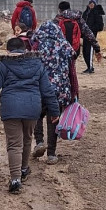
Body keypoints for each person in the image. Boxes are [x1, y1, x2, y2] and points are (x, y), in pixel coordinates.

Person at [0, 37, 60, 192]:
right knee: (27, 139)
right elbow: (47, 91)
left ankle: (15, 179)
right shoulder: (38, 64)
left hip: (11, 108)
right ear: (25, 49)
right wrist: (54, 111)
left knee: (14, 144)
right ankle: (24, 169)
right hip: (32, 108)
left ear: (8, 51)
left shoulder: (4, 65)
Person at [29, 21, 75, 165]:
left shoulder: (36, 44)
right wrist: (74, 91)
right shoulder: (65, 45)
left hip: (40, 87)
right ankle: (51, 154)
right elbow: (72, 68)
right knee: (53, 119)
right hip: (60, 89)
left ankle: (39, 142)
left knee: (37, 115)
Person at [81, 0, 106, 73]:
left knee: (89, 51)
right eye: (90, 3)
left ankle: (90, 68)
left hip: (92, 36)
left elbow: (100, 26)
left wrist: (91, 29)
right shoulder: (85, 13)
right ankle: (88, 66)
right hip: (85, 35)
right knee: (84, 51)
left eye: (92, 3)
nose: (91, 5)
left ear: (95, 4)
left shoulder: (97, 14)